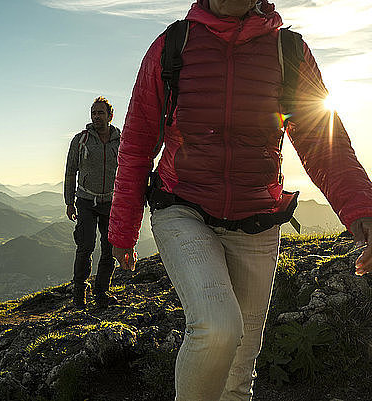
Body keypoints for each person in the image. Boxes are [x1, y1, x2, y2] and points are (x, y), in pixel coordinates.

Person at [108, 0, 372, 400]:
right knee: (217, 327)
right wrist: (122, 229)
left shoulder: (288, 51)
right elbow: (138, 142)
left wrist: (363, 212)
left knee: (239, 371)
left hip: (256, 219)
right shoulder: (174, 44)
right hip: (182, 207)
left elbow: (324, 142)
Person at [64, 96, 121, 308]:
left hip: (111, 202)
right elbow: (70, 172)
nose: (96, 116)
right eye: (94, 113)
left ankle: (101, 293)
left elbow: (127, 172)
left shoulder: (121, 140)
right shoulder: (81, 140)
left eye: (100, 113)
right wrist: (70, 202)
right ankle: (79, 295)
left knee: (109, 250)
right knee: (85, 246)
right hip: (86, 201)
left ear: (110, 116)